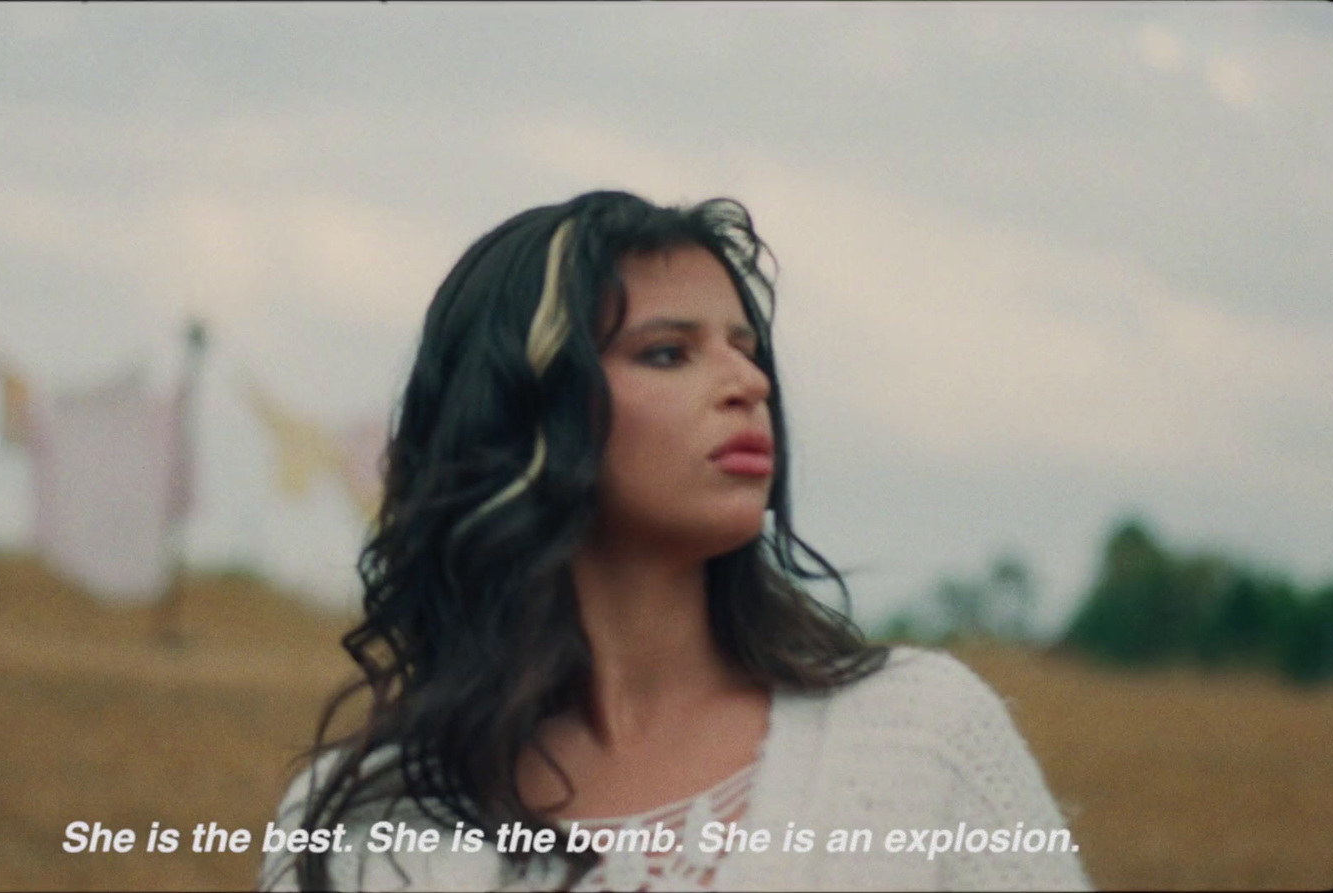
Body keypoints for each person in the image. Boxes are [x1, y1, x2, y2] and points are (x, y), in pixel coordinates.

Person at [259, 191, 1090, 891]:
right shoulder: (360, 829)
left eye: (746, 349)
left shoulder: (920, 736)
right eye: (667, 352)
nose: (749, 383)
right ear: (523, 414)